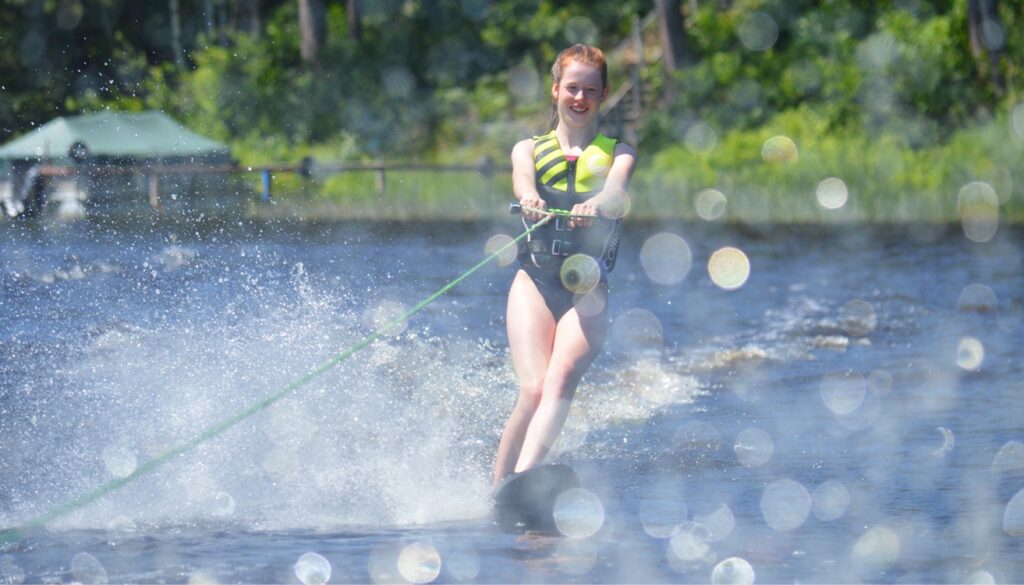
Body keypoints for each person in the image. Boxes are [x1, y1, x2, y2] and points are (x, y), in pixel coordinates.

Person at [493, 44, 637, 487]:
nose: (580, 98)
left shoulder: (621, 152)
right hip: (534, 281)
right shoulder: (528, 149)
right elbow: (522, 181)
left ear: (603, 94)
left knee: (560, 383)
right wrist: (529, 198)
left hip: (586, 288)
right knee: (533, 390)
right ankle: (499, 489)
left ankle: (526, 477)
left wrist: (597, 203)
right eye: (572, 88)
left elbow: (616, 192)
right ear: (555, 90)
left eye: (590, 91)